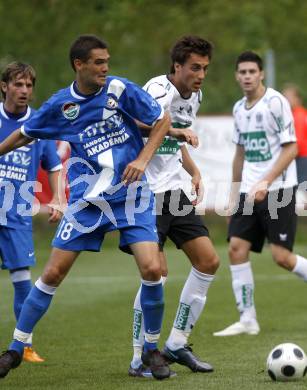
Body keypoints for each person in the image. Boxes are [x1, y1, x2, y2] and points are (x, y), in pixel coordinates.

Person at [0, 35, 172, 380]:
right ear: (79, 65)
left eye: (107, 61)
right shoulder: (61, 105)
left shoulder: (120, 89)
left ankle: (151, 350)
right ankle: (16, 350)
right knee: (52, 274)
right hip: (88, 202)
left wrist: (142, 157)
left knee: (152, 269)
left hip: (130, 195)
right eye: (98, 62)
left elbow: (162, 120)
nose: (105, 68)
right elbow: (24, 133)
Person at [129, 36, 219, 378]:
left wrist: (194, 171)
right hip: (145, 193)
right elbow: (136, 124)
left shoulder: (195, 95)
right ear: (177, 66)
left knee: (208, 261)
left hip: (174, 192)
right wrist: (175, 130)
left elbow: (173, 142)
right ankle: (139, 358)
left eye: (205, 68)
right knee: (157, 275)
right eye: (195, 67)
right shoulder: (156, 89)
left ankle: (177, 343)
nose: (201, 75)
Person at [213, 51, 307, 337]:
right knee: (236, 249)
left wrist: (265, 181)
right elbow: (239, 154)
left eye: (252, 71)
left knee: (281, 256)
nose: (247, 77)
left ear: (261, 74)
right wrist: (232, 196)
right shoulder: (239, 108)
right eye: (242, 72)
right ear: (236, 76)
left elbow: (291, 148)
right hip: (247, 192)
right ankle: (247, 319)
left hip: (278, 190)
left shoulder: (276, 102)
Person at [0, 62, 63, 362]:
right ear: (4, 87)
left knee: (22, 277)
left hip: (17, 211)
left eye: (28, 86)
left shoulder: (38, 124)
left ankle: (24, 345)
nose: (24, 91)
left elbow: (53, 165)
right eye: (18, 85)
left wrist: (59, 199)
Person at [282, 84, 307, 206]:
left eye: (288, 97)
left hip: (301, 157)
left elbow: (299, 141)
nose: (285, 100)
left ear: (297, 99)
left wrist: (286, 158)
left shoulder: (297, 115)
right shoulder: (302, 113)